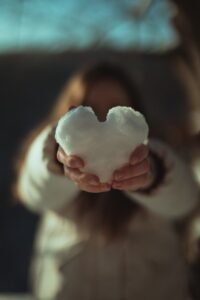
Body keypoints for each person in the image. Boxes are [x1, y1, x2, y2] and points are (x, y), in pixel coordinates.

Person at [15, 61, 199, 300]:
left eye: (115, 107)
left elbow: (185, 198)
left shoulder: (160, 154)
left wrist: (152, 174)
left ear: (133, 112)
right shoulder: (53, 157)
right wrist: (56, 162)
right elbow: (34, 191)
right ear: (70, 111)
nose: (102, 120)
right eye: (89, 107)